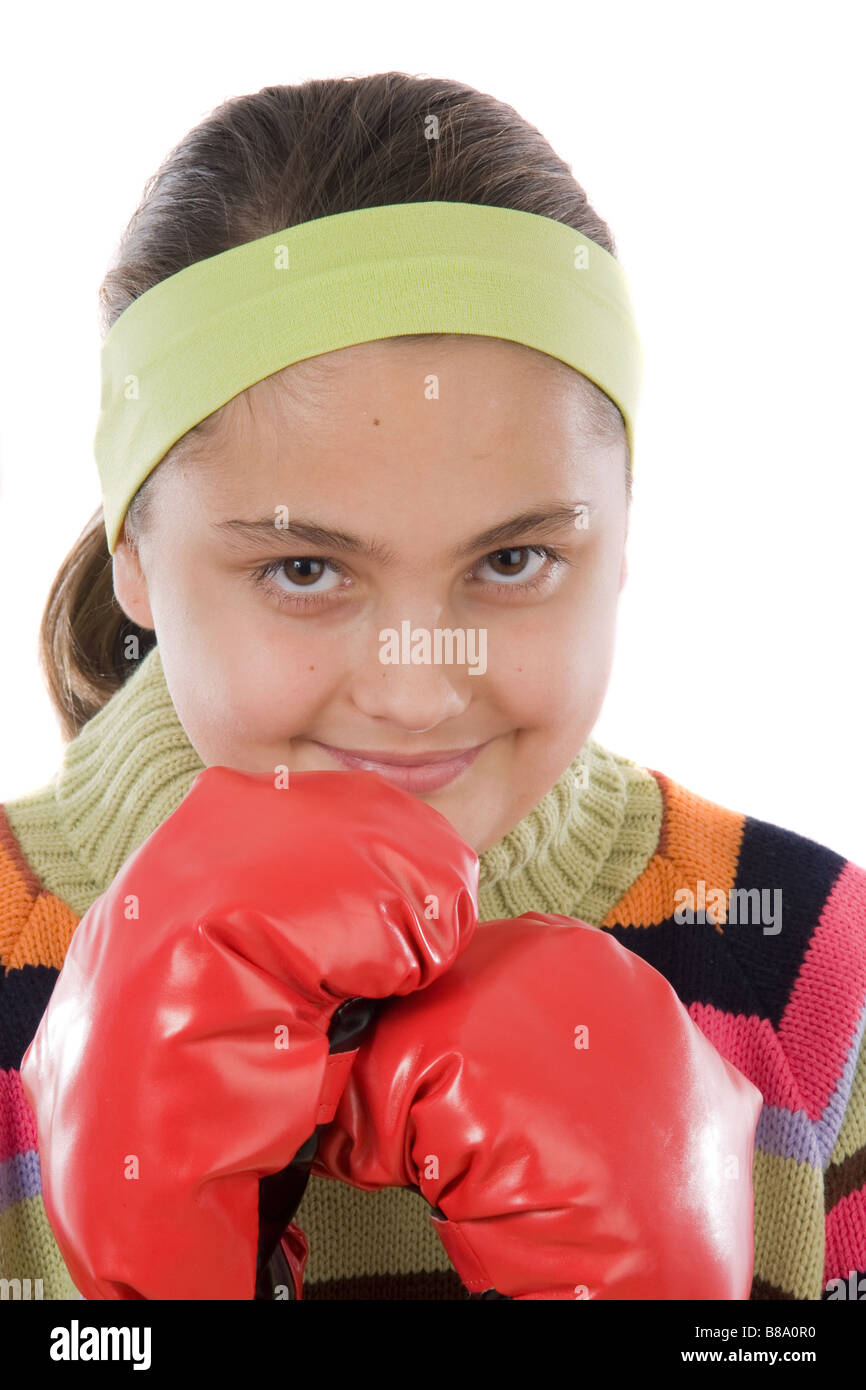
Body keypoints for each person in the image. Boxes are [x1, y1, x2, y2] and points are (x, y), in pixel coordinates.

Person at [1, 71, 863, 1302]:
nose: (415, 692)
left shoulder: (809, 968)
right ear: (133, 551)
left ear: (621, 540)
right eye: (304, 568)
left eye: (510, 561)